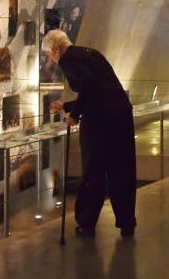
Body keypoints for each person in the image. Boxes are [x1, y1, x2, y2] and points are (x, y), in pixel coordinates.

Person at [44, 29, 136, 237]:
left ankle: (86, 223)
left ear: (56, 50)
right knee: (122, 169)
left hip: (100, 121)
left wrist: (74, 114)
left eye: (49, 55)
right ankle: (126, 222)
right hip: (120, 114)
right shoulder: (90, 53)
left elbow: (87, 87)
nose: (51, 59)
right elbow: (99, 90)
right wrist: (68, 106)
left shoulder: (68, 60)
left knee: (93, 171)